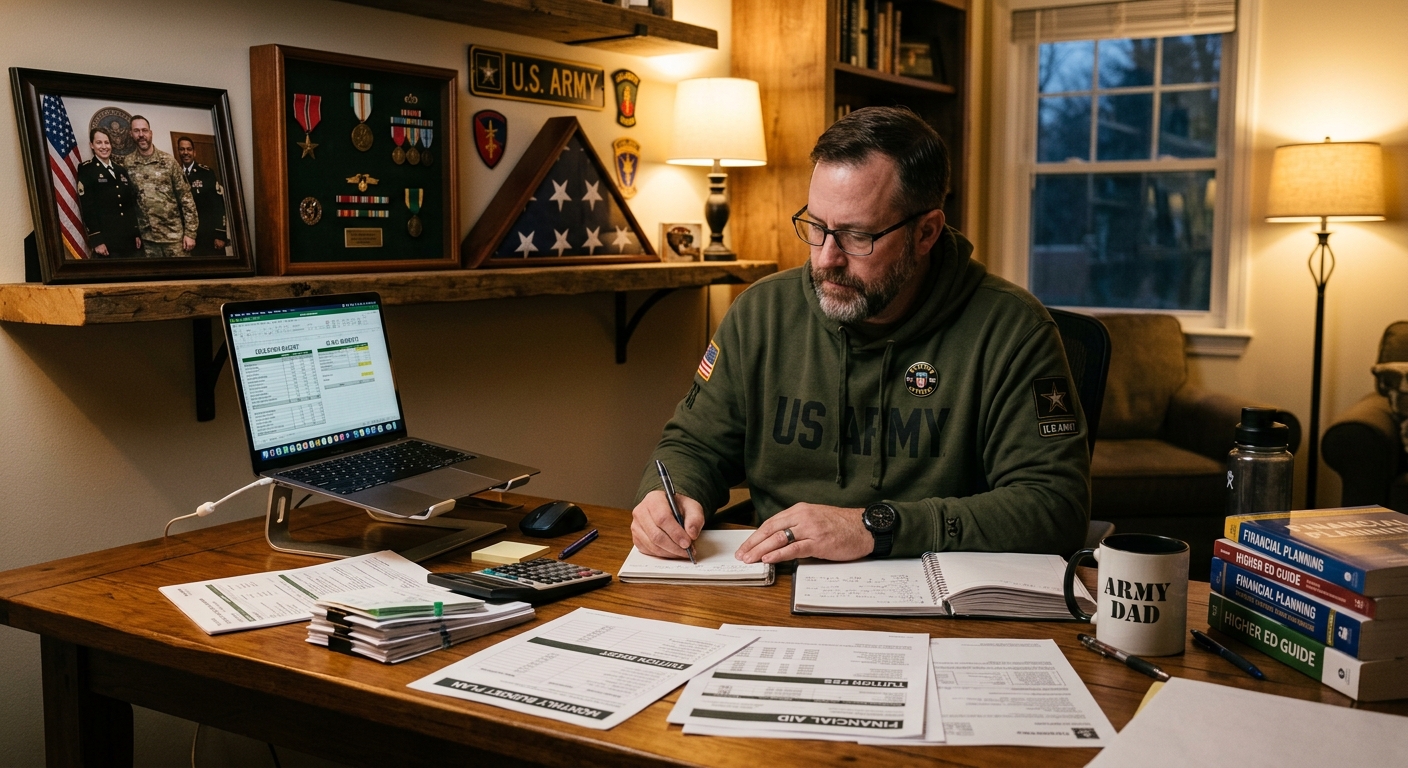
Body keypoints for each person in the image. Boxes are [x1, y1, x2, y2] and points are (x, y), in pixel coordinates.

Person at [631, 106, 1090, 566]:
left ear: (926, 232)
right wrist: (666, 498)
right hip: (773, 585)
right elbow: (693, 447)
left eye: (856, 236)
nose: (827, 258)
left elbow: (1055, 506)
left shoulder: (1011, 330)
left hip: (939, 596)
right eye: (816, 227)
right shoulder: (761, 313)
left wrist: (876, 527)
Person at [124, 116, 199, 258]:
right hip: (148, 241)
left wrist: (190, 233)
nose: (141, 135)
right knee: (155, 279)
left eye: (144, 130)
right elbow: (131, 202)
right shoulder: (128, 163)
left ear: (150, 133)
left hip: (174, 238)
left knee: (181, 279)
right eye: (136, 131)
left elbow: (186, 198)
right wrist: (135, 233)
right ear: (131, 134)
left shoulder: (168, 161)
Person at [76, 127, 143, 258]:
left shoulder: (121, 170)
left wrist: (135, 233)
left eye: (107, 142)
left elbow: (129, 204)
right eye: (99, 142)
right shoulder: (87, 169)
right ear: (92, 145)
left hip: (128, 239)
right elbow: (88, 208)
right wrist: (97, 240)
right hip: (107, 242)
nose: (104, 147)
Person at [175, 137, 228, 256]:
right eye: (182, 149)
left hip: (208, 232)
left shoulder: (206, 173)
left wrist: (220, 234)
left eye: (189, 149)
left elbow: (218, 205)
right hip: (186, 235)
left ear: (194, 152)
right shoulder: (176, 173)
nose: (185, 153)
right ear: (178, 151)